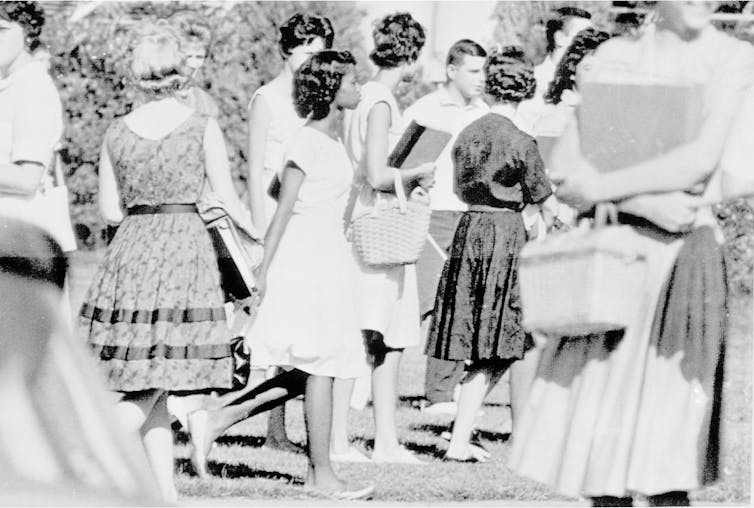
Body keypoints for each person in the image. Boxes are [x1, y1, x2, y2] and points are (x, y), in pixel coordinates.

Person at [511, 2, 754, 506]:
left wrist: (603, 185)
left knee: (666, 460)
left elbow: (704, 160)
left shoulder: (730, 58)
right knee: (602, 461)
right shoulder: (615, 56)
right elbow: (568, 167)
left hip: (683, 263)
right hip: (611, 263)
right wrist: (639, 198)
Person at [78, 21, 250, 502]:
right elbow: (228, 200)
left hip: (131, 249)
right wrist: (260, 240)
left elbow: (110, 211)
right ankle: (82, 450)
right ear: (180, 73)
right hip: (183, 248)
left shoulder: (117, 132)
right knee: (160, 372)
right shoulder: (201, 126)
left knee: (153, 374)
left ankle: (163, 491)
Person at [248, 50, 373, 499]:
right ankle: (320, 474)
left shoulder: (331, 140)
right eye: (353, 82)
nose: (359, 89)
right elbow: (280, 208)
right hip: (305, 259)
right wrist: (263, 268)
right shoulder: (307, 141)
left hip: (327, 256)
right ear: (332, 89)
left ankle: (221, 419)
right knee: (320, 364)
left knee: (325, 364)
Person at [426, 46, 552, 462]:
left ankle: (461, 434)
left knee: (492, 341)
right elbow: (543, 196)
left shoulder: (469, 132)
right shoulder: (520, 138)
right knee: (506, 339)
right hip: (505, 235)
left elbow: (459, 184)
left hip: (470, 231)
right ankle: (464, 438)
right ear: (526, 88)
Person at [337, 12, 434, 464]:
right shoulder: (379, 102)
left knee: (372, 335)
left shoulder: (361, 96)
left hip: (366, 223)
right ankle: (373, 441)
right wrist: (418, 172)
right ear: (411, 57)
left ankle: (363, 439)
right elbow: (376, 173)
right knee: (379, 336)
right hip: (381, 227)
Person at [243, 12, 334, 453]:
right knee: (275, 330)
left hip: (307, 222)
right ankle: (273, 430)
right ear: (288, 49)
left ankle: (287, 429)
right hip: (272, 219)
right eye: (307, 49)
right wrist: (261, 234)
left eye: (320, 51)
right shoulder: (267, 99)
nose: (312, 58)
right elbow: (256, 169)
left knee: (303, 329)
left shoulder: (315, 102)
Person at [403, 39, 489, 416]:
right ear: (452, 70)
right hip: (432, 215)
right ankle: (357, 384)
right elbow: (399, 162)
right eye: (473, 70)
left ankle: (441, 393)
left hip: (470, 213)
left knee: (458, 307)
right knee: (416, 304)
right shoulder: (425, 109)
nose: (481, 78)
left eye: (483, 70)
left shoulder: (485, 112)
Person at [0, 1, 66, 248]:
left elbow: (27, 178)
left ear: (28, 31)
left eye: (1, 29)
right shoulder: (10, 84)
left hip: (20, 230)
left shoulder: (32, 86)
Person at [516, 6, 593, 136]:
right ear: (560, 38)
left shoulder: (590, 80)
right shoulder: (532, 81)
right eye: (582, 36)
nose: (589, 42)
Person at [168, 9, 219, 117]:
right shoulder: (155, 97)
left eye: (199, 57)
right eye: (187, 56)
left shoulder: (205, 102)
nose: (192, 64)